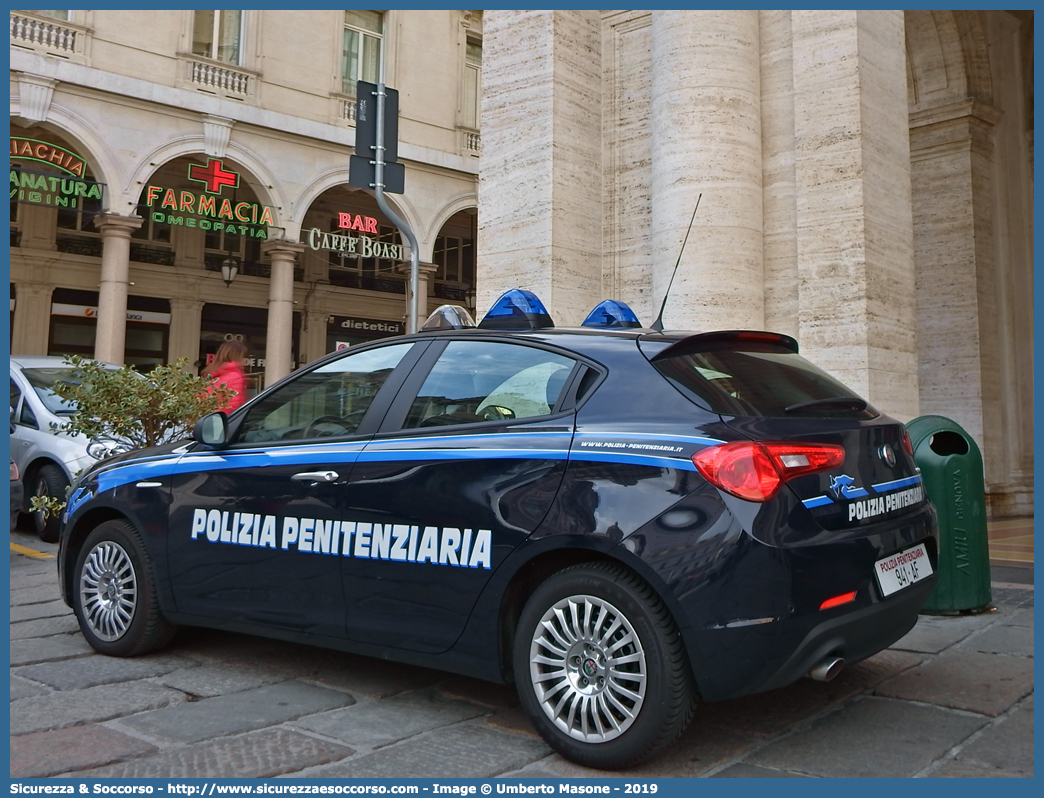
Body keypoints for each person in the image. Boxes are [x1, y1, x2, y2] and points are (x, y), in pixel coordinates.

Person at [202, 340, 249, 412]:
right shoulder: (235, 376)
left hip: (210, 419)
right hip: (225, 420)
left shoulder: (211, 373)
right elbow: (234, 406)